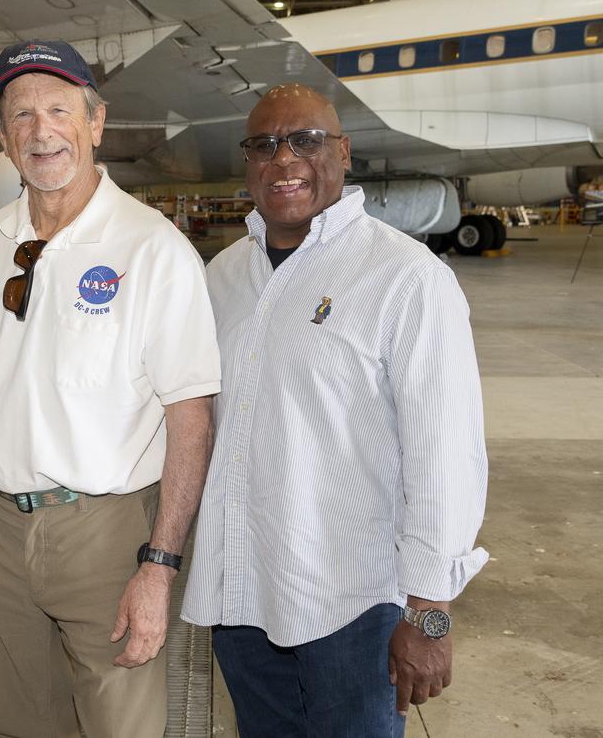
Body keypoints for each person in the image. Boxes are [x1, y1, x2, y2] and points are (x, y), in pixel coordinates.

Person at [0, 40, 221, 737]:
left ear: (95, 123)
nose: (41, 130)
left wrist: (158, 567)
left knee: (119, 724)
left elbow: (191, 418)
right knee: (19, 718)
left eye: (59, 109)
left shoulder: (152, 250)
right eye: (21, 115)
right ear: (0, 136)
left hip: (105, 532)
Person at [181, 84, 489, 738]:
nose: (284, 158)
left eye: (306, 140)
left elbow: (445, 453)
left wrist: (430, 612)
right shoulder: (224, 277)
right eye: (264, 145)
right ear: (248, 164)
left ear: (344, 154)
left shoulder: (406, 278)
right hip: (245, 597)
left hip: (353, 611)